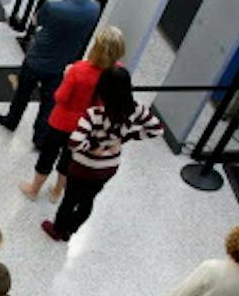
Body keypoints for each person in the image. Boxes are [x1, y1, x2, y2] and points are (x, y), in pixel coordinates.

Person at [44, 65, 162, 241]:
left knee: (69, 199)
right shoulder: (137, 109)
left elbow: (74, 142)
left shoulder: (94, 114)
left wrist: (93, 146)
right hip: (108, 167)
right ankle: (70, 229)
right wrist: (126, 138)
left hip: (82, 167)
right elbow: (157, 129)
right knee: (88, 200)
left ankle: (58, 229)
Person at [21, 24, 123, 200]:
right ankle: (56, 192)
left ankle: (34, 190)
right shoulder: (118, 73)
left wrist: (66, 75)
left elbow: (60, 97)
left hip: (62, 122)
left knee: (48, 156)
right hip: (87, 126)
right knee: (69, 160)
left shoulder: (78, 70)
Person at [0, 0, 100, 134]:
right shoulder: (94, 9)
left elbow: (36, 21)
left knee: (22, 93)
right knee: (49, 103)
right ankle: (40, 135)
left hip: (37, 58)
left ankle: (11, 120)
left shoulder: (54, 7)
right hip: (62, 64)